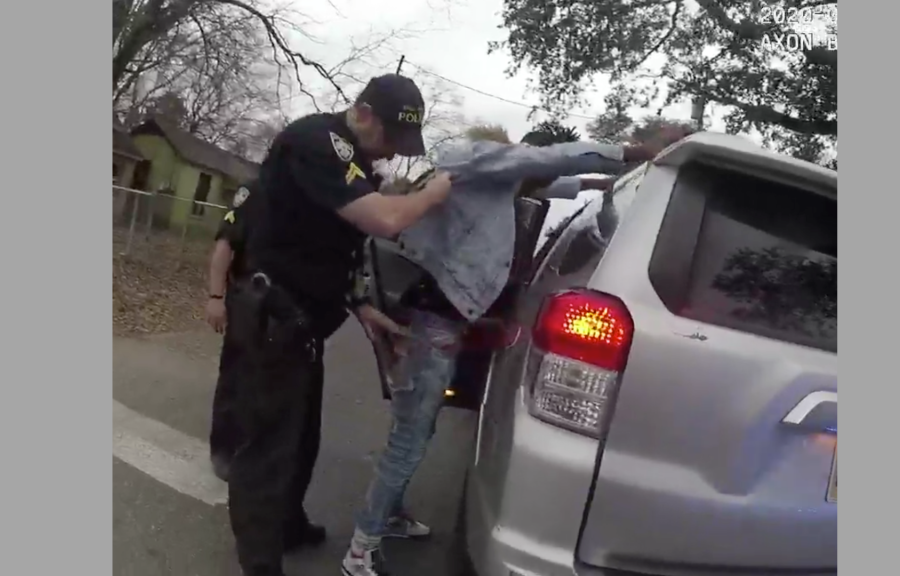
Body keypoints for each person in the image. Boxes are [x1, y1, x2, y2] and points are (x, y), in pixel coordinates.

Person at [341, 126, 693, 576]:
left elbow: (548, 180)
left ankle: (386, 514)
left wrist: (604, 182)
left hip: (441, 319)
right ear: (499, 151)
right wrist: (628, 152)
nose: (518, 158)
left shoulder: (486, 180)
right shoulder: (473, 158)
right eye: (513, 153)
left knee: (416, 431)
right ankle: (359, 550)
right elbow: (545, 162)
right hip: (434, 323)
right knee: (409, 439)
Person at [225, 73, 455, 576]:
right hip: (274, 318)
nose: (392, 152)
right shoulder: (319, 142)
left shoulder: (352, 162)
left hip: (300, 325)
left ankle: (288, 527)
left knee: (301, 438)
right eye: (390, 138)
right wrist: (436, 192)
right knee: (267, 449)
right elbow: (386, 222)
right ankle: (261, 564)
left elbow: (333, 254)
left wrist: (365, 311)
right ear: (364, 113)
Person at [204, 182, 256, 481]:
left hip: (286, 309)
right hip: (248, 297)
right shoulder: (256, 192)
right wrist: (215, 297)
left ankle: (252, 447)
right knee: (235, 378)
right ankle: (223, 451)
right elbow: (226, 245)